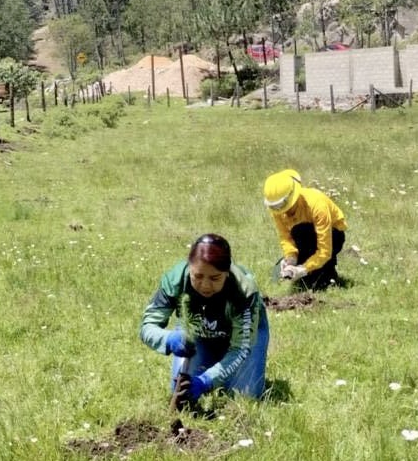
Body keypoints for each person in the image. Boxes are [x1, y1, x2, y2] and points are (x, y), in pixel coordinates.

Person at [140, 234, 269, 407]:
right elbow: (147, 327)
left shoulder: (243, 291)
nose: (206, 285)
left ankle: (219, 369)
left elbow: (240, 348)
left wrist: (206, 381)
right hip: (198, 333)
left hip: (244, 337)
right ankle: (212, 361)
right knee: (182, 394)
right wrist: (169, 339)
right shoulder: (175, 281)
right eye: (198, 276)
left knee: (245, 397)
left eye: (215, 278)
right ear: (189, 268)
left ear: (226, 272)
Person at [263, 169, 348, 290]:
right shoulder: (277, 210)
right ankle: (306, 265)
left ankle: (327, 272)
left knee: (322, 281)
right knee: (299, 233)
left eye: (283, 207)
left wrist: (303, 269)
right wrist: (291, 258)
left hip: (333, 235)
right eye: (276, 208)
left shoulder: (317, 204)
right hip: (304, 238)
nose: (282, 212)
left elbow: (325, 250)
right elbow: (285, 237)